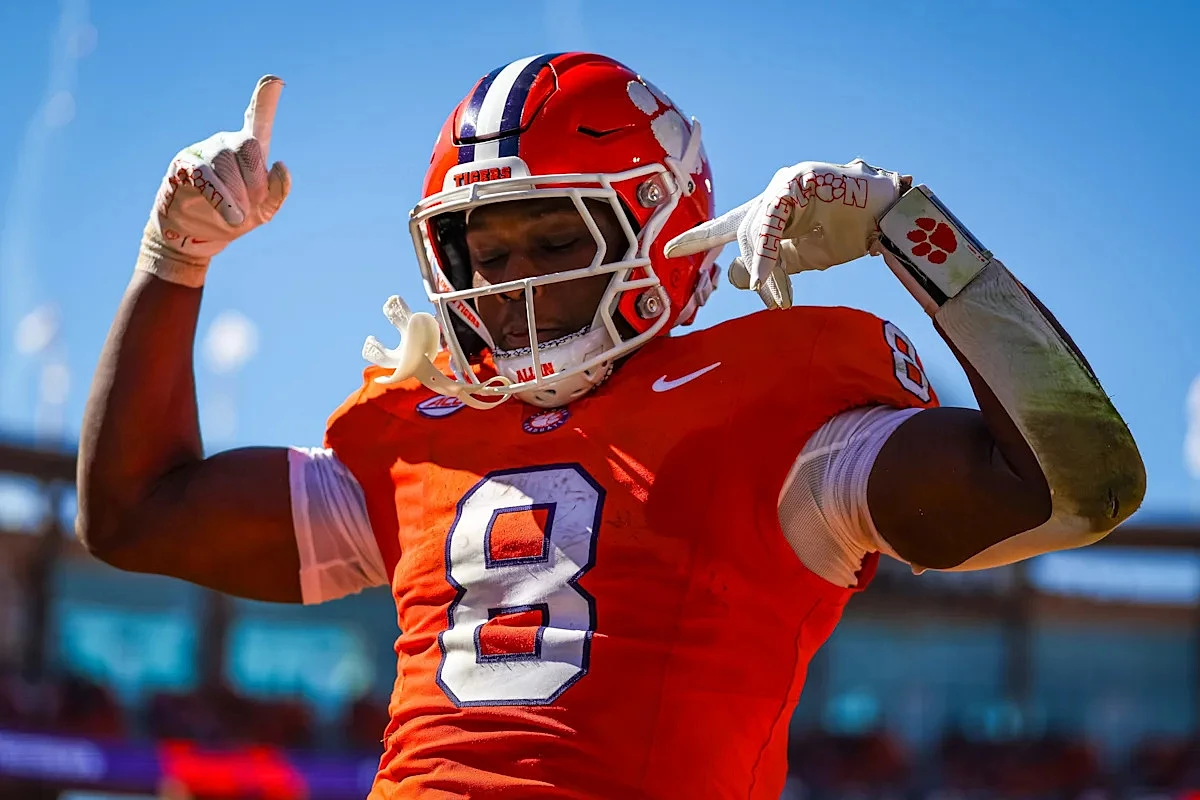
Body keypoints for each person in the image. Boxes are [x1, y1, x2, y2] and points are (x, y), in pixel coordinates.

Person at [76, 52, 1145, 799]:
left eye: (557, 240)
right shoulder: (423, 428)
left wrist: (911, 231)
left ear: (666, 227)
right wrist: (175, 258)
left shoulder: (781, 411)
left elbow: (1073, 486)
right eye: (487, 254)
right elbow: (136, 512)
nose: (517, 285)